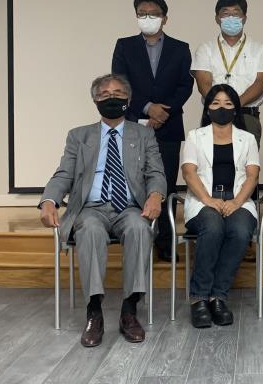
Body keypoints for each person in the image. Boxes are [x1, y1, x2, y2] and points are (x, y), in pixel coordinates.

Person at [39, 74, 166, 347]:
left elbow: (156, 172)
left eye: (118, 93)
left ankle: (129, 310)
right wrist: (49, 200)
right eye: (105, 94)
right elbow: (64, 174)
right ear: (95, 101)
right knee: (90, 230)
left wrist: (156, 196)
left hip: (130, 207)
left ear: (128, 99)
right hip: (91, 208)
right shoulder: (79, 136)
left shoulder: (144, 134)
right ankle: (94, 312)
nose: (112, 98)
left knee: (139, 228)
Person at [112, 0, 193, 262]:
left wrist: (162, 112)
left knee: (166, 184)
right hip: (133, 124)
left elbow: (185, 85)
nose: (147, 18)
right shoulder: (124, 46)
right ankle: (137, 237)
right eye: (142, 14)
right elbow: (120, 83)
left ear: (165, 18)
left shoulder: (180, 48)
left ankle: (166, 241)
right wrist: (147, 108)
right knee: (134, 181)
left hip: (169, 126)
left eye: (153, 14)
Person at [180, 84, 260, 328]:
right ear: (207, 108)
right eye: (215, 103)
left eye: (227, 103)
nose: (221, 108)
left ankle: (218, 297)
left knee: (240, 230)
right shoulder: (195, 136)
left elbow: (252, 176)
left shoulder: (247, 138)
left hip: (238, 200)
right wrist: (208, 200)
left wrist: (236, 202)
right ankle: (199, 297)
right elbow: (189, 172)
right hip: (203, 200)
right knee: (213, 226)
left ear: (235, 109)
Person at [191, 0, 263, 146]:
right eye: (226, 13)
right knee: (211, 159)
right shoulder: (205, 48)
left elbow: (261, 83)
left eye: (236, 13)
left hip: (247, 116)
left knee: (247, 160)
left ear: (244, 18)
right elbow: (203, 84)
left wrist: (232, 105)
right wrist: (220, 106)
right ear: (217, 18)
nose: (231, 18)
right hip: (213, 115)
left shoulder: (259, 49)